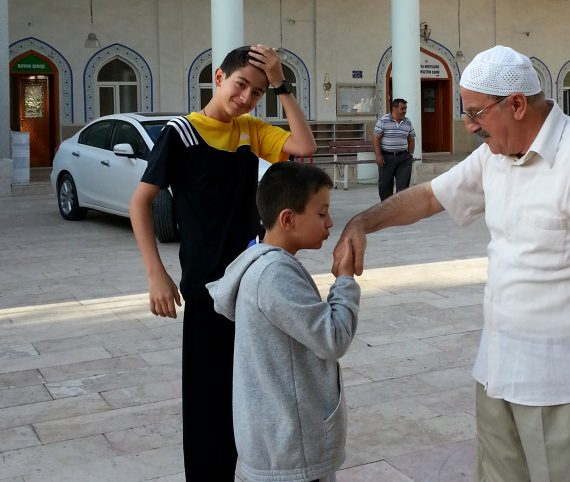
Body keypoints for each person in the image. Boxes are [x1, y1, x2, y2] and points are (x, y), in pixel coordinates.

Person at [332, 45, 570, 481]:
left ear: (517, 104)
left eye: (476, 114)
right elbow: (433, 195)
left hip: (565, 392)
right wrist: (363, 221)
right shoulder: (495, 155)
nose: (470, 126)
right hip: (497, 376)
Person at [128, 45, 316, 480]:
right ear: (218, 78)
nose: (247, 98)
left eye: (257, 92)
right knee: (207, 397)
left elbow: (303, 146)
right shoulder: (181, 133)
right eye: (240, 85)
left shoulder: (251, 131)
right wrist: (156, 274)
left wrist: (282, 85)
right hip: (204, 286)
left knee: (249, 389)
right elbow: (140, 203)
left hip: (250, 282)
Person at [206, 162, 360, 482]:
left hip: (277, 447)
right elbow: (333, 338)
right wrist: (345, 280)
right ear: (288, 218)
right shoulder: (274, 274)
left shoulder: (265, 264)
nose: (330, 222)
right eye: (321, 213)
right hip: (290, 456)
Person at [373, 98, 415, 201]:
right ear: (394, 108)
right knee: (385, 185)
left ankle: (399, 209)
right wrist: (378, 155)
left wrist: (410, 154)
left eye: (405, 108)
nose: (404, 111)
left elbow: (411, 138)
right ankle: (386, 208)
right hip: (387, 158)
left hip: (403, 158)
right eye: (402, 108)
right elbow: (376, 138)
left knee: (403, 186)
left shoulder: (407, 122)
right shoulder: (383, 120)